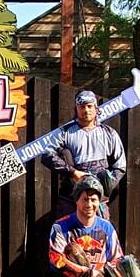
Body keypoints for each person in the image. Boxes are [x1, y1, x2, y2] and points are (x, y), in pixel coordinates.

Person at [40, 90, 126, 218]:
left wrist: (106, 185)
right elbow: (47, 155)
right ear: (76, 109)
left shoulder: (109, 134)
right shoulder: (64, 133)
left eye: (90, 106)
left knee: (100, 230)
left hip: (98, 200)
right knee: (66, 230)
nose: (86, 110)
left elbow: (120, 166)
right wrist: (72, 172)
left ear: (96, 108)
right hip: (70, 198)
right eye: (82, 107)